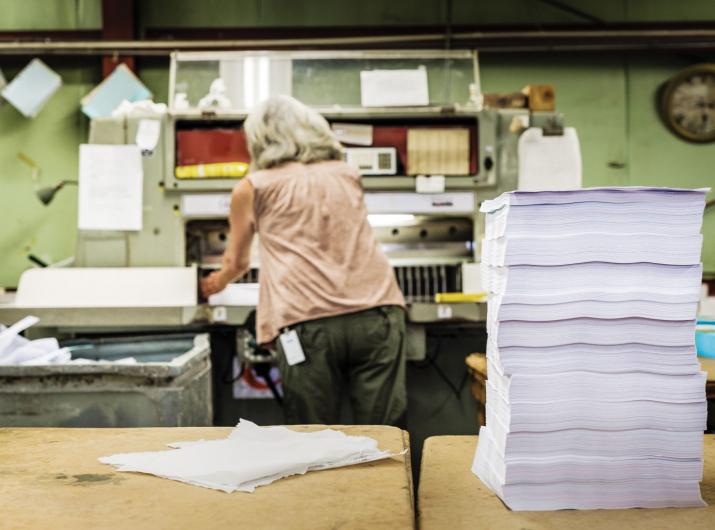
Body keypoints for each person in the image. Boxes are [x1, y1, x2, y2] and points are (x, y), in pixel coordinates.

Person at [201, 95, 406, 426]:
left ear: (258, 139)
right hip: (377, 314)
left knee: (314, 437)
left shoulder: (253, 187)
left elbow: (237, 262)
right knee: (385, 433)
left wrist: (215, 282)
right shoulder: (346, 174)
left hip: (308, 323)